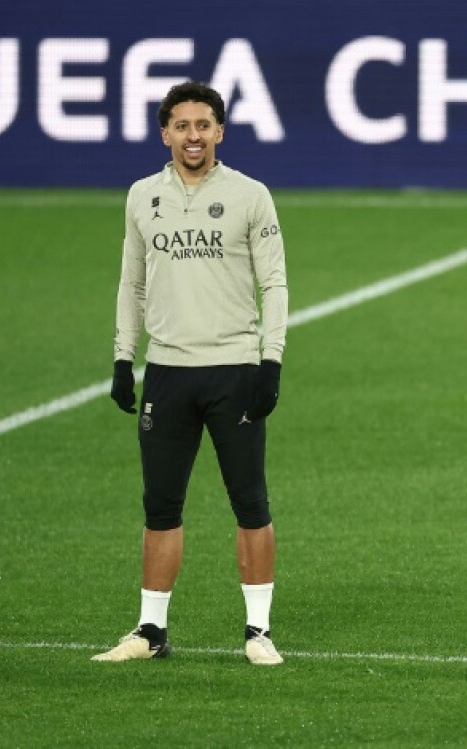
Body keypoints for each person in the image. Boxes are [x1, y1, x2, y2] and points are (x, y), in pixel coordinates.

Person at [93, 81, 289, 666]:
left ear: (220, 131)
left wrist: (270, 359)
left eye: (204, 125)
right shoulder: (141, 196)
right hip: (169, 373)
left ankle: (258, 632)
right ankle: (151, 632)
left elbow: (274, 282)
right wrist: (124, 358)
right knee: (161, 506)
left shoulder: (251, 195)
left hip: (233, 369)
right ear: (165, 134)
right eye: (182, 126)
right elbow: (131, 282)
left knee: (250, 501)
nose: (193, 136)